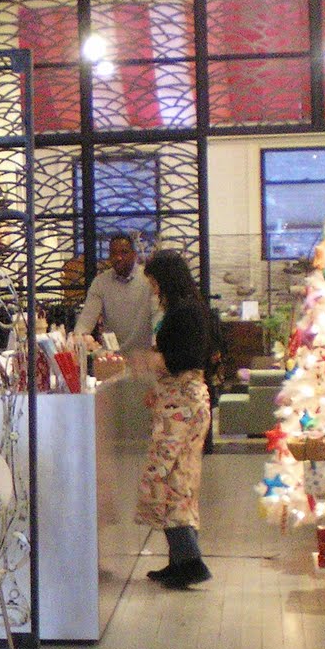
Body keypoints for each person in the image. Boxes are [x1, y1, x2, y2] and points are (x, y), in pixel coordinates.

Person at [131, 251, 214, 589]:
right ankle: (178, 561)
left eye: (153, 281)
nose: (151, 287)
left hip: (182, 406)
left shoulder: (184, 314)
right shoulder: (192, 309)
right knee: (180, 477)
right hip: (185, 402)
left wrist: (151, 363)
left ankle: (191, 561)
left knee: (168, 479)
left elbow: (185, 358)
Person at [74, 233, 156, 353]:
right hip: (113, 359)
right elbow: (86, 320)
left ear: (134, 255)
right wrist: (78, 339)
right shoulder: (101, 282)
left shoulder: (149, 280)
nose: (118, 257)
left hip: (145, 358)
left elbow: (157, 316)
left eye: (124, 252)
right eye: (113, 253)